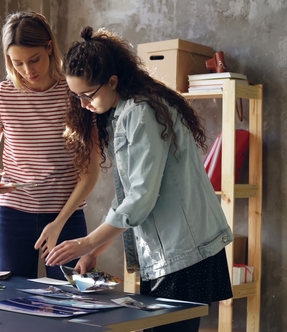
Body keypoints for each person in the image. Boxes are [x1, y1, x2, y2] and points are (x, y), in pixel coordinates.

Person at [45, 26, 233, 331]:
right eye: (76, 96)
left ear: (113, 81)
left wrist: (86, 242)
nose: (83, 105)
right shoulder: (129, 110)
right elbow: (130, 193)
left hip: (182, 254)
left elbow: (140, 198)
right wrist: (94, 251)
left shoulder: (140, 113)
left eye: (88, 95)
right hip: (180, 251)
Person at [0, 12, 100, 280]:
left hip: (66, 215)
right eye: (17, 62)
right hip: (12, 216)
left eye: (34, 60)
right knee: (14, 301)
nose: (28, 70)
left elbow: (90, 171)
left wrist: (59, 222)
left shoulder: (75, 93)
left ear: (49, 47)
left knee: (72, 305)